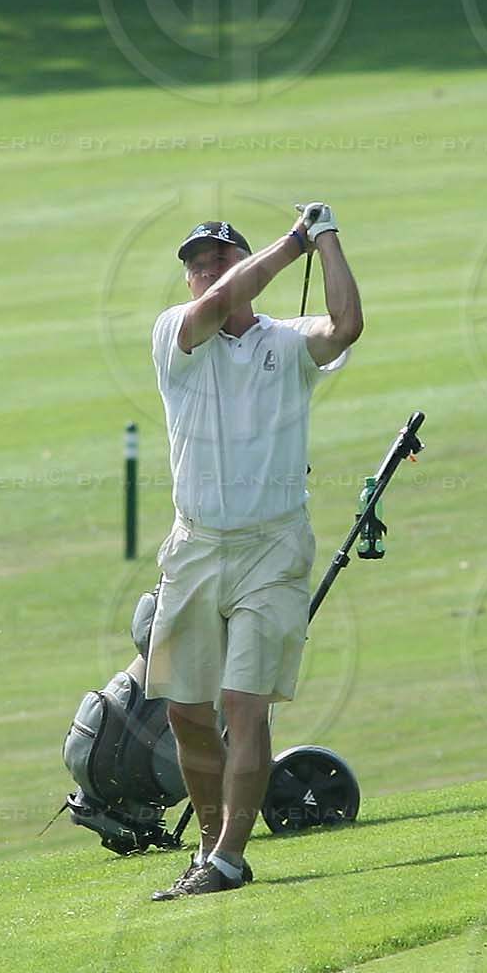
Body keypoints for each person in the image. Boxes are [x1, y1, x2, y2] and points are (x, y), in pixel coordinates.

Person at [145, 206, 362, 899]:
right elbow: (215, 304)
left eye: (219, 256)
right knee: (185, 708)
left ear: (244, 263)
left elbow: (347, 326)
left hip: (273, 546)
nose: (206, 269)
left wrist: (325, 242)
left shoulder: (288, 343)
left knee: (244, 704)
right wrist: (291, 242)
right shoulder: (174, 335)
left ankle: (230, 859)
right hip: (196, 545)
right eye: (197, 261)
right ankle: (210, 844)